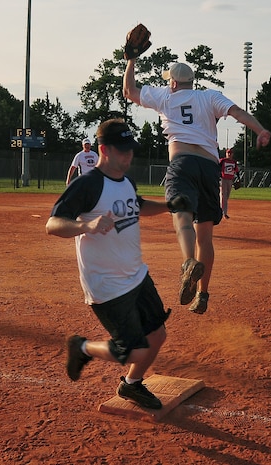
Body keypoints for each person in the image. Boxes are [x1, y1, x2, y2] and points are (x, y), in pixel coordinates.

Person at [123, 59, 271, 314]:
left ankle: (188, 261)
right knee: (205, 236)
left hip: (182, 163)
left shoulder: (165, 97)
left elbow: (130, 92)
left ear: (172, 82)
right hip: (208, 167)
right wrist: (260, 130)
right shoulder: (209, 96)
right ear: (192, 81)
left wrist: (131, 60)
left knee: (181, 212)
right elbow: (237, 113)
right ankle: (202, 295)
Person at [46, 118, 173, 410]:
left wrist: (168, 206)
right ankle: (82, 347)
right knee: (135, 352)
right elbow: (53, 224)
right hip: (108, 285)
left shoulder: (126, 180)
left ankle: (132, 386)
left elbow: (136, 205)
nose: (129, 156)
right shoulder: (87, 184)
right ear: (104, 149)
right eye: (122, 151)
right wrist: (86, 226)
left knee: (157, 335)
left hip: (137, 274)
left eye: (131, 150)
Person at [219, 148, 240, 219]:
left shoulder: (234, 162)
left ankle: (221, 209)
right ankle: (224, 213)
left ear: (232, 154)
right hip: (223, 179)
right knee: (224, 196)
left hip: (230, 180)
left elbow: (237, 171)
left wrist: (239, 179)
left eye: (230, 153)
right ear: (226, 154)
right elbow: (218, 168)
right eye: (228, 153)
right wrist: (218, 177)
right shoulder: (223, 161)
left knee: (227, 196)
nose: (229, 154)